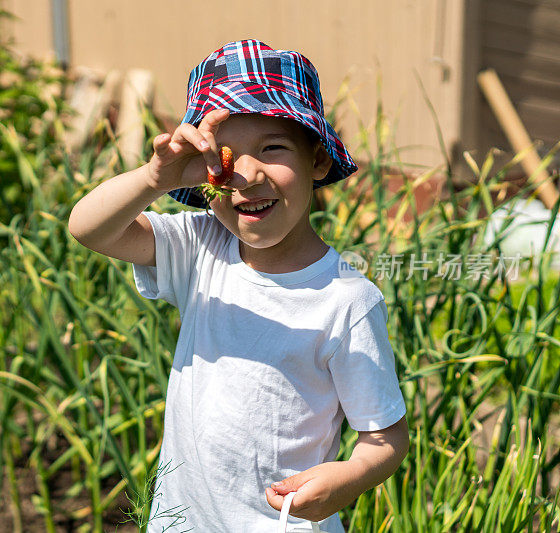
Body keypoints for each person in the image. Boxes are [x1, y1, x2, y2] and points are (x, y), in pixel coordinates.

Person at [68, 39, 409, 532]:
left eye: (272, 148)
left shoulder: (345, 301)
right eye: (225, 158)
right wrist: (154, 177)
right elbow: (88, 229)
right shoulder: (202, 248)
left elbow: (386, 436)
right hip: (183, 520)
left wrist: (350, 476)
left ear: (316, 160)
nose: (246, 176)